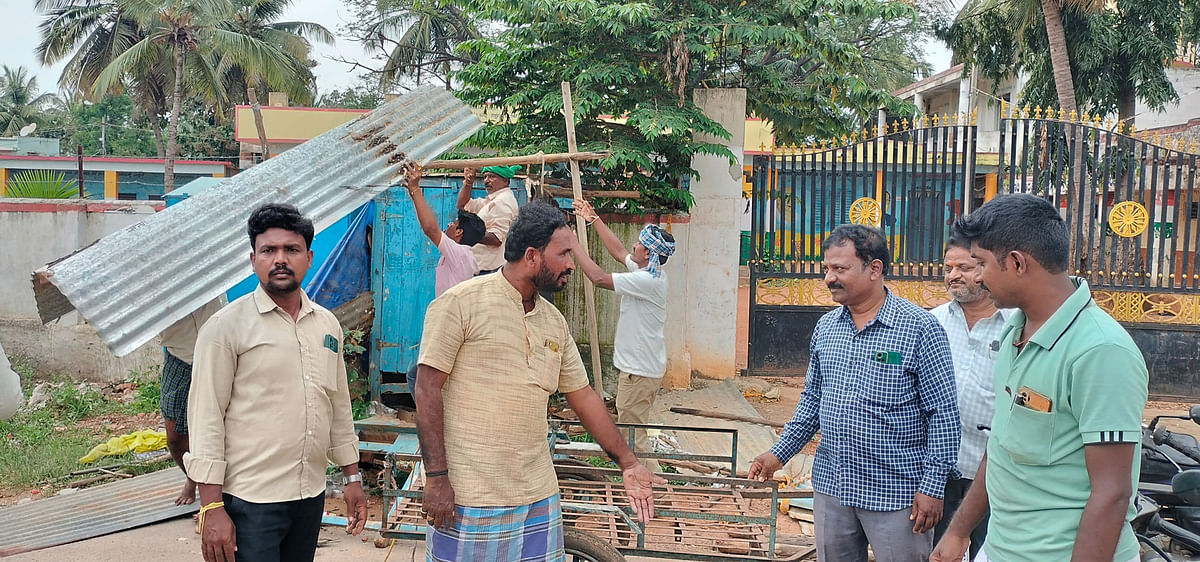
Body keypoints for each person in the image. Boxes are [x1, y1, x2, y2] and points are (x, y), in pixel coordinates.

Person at [414, 199, 665, 560]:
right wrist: (436, 478)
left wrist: (628, 462)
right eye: (564, 254)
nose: (571, 265)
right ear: (532, 257)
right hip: (472, 498)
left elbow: (584, 397)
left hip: (537, 498)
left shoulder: (553, 322)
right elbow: (426, 389)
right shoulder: (460, 304)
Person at [932, 194, 1149, 562]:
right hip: (1001, 548)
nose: (978, 276)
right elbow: (1001, 445)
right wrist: (958, 531)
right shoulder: (1015, 332)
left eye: (981, 263)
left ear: (1017, 263)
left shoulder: (1100, 351)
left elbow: (1112, 494)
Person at [748, 224, 960, 562]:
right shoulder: (827, 328)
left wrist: (933, 487)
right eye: (827, 269)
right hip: (833, 489)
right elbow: (813, 402)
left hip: (898, 495)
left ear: (874, 269)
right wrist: (777, 455)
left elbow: (944, 414)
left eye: (840, 269)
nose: (829, 278)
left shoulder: (921, 329)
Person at [185, 203, 367, 562]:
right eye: (269, 250)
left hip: (308, 495)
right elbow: (206, 417)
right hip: (250, 501)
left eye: (291, 250)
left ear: (309, 257)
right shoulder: (226, 328)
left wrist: (352, 477)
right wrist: (211, 508)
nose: (280, 259)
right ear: (253, 259)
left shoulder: (327, 325)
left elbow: (338, 405)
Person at [569, 198, 674, 472]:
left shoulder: (647, 281)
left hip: (639, 371)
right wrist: (594, 219)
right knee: (633, 428)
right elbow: (618, 252)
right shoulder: (646, 270)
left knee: (633, 434)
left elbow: (598, 278)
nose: (634, 246)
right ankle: (647, 482)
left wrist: (573, 246)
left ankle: (655, 487)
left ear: (649, 254)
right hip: (643, 368)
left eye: (639, 244)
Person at [929, 238, 1012, 561]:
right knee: (937, 549)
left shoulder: (1017, 327)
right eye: (948, 268)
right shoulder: (933, 322)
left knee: (988, 550)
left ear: (987, 269)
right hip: (938, 468)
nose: (953, 276)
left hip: (993, 469)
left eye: (963, 267)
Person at [159, 297, 224, 505]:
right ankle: (192, 477)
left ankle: (214, 494)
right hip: (180, 355)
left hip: (219, 350)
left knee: (225, 427)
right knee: (175, 437)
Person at [404, 164, 486, 296]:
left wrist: (415, 188)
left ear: (459, 232)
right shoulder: (463, 255)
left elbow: (430, 229)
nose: (448, 225)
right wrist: (413, 193)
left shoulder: (460, 253)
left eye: (452, 224)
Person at [458, 165, 520, 275]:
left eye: (492, 176)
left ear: (505, 181)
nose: (486, 181)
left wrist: (469, 234)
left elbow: (496, 238)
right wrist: (468, 182)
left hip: (490, 270)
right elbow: (463, 205)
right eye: (485, 177)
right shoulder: (492, 200)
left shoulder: (502, 201)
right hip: (484, 269)